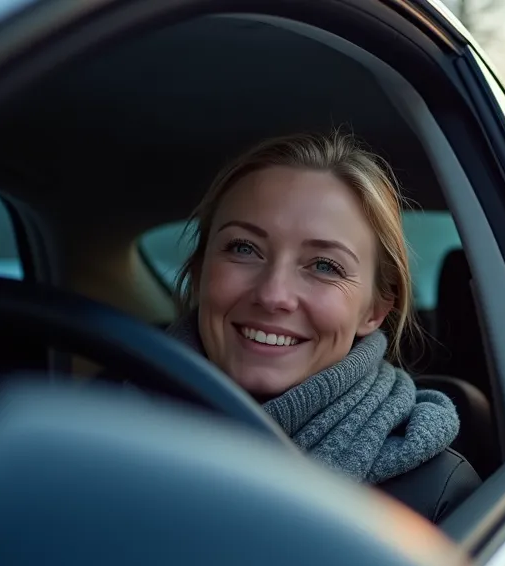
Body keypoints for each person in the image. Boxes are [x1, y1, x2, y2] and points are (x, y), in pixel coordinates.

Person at [165, 130, 480, 523]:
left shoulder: (436, 495)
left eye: (324, 266)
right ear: (199, 271)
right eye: (243, 248)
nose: (274, 294)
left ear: (376, 310)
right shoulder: (93, 420)